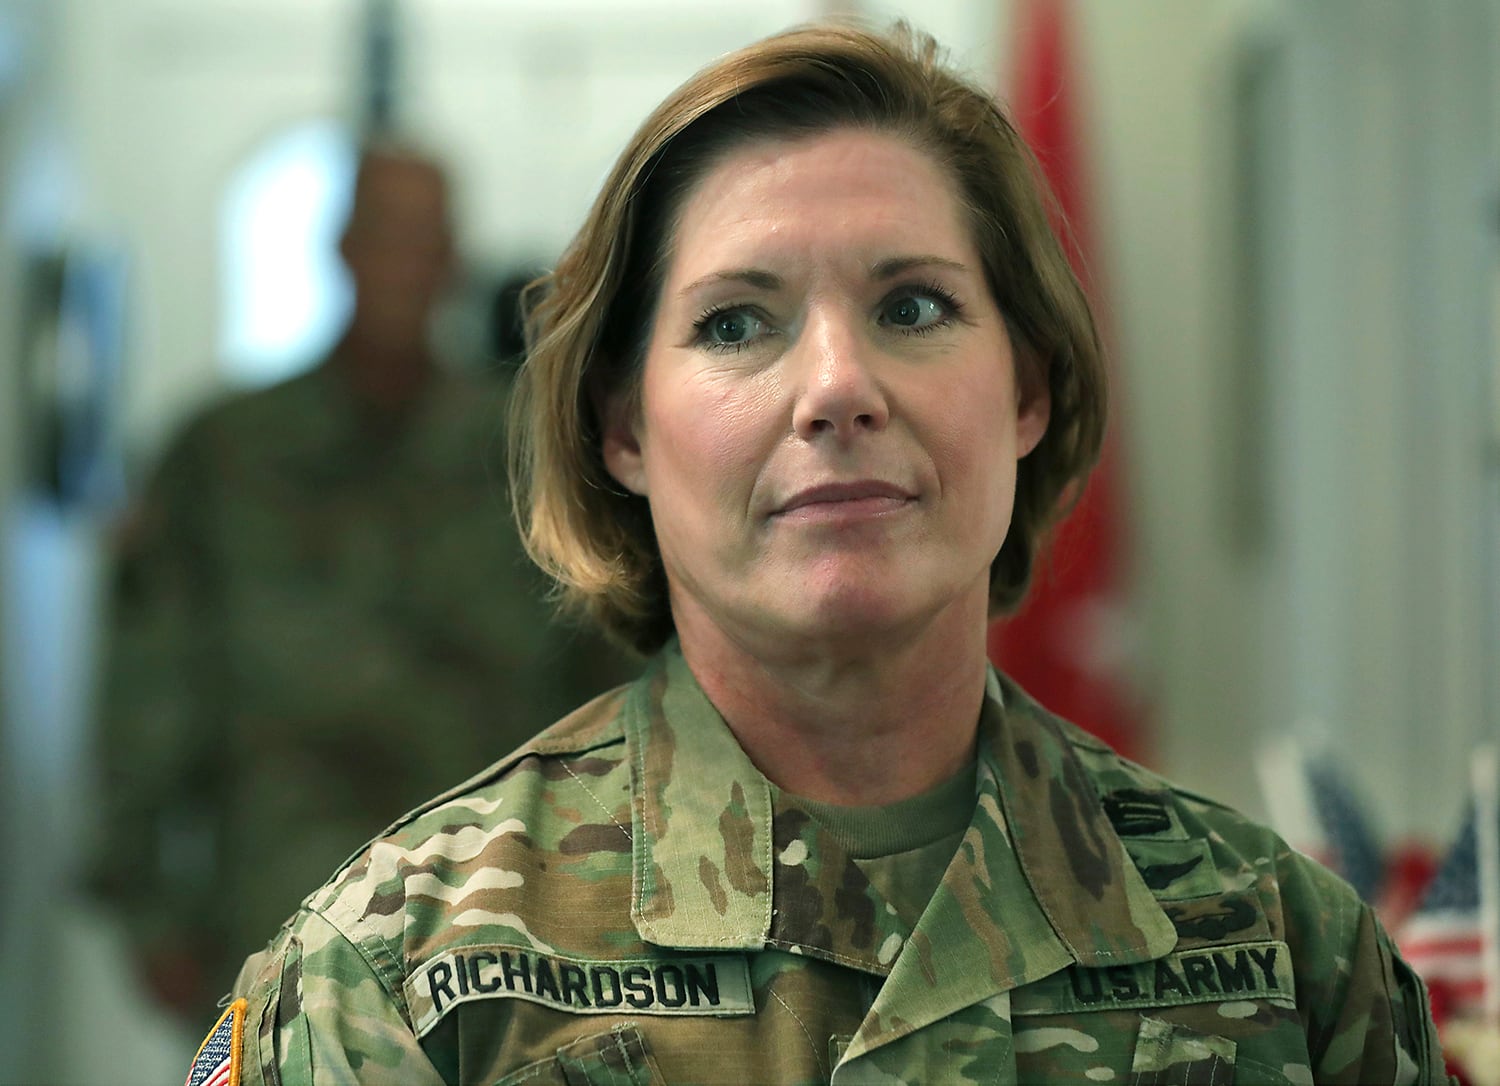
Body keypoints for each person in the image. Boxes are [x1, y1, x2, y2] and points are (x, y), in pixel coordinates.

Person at [198, 25, 1449, 1085]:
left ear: (1028, 391)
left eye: (913, 306)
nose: (839, 388)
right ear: (624, 427)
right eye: (737, 322)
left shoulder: (1290, 956)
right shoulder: (401, 979)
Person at [94, 143, 631, 1019]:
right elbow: (149, 682)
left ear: (454, 261)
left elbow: (600, 676)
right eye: (383, 234)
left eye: (426, 239)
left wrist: (608, 888)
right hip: (270, 911)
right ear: (340, 248)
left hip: (488, 926)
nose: (403, 264)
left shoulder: (528, 454)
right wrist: (147, 905)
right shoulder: (225, 451)